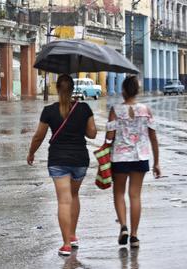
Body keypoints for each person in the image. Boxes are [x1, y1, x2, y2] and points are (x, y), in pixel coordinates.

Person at [27, 74, 97, 256]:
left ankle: (66, 244)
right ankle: (72, 235)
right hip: (80, 159)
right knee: (74, 196)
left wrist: (31, 153)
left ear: (57, 89)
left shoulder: (49, 111)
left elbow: (38, 136)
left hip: (58, 159)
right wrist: (81, 120)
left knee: (64, 200)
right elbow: (92, 134)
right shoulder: (83, 108)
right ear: (73, 89)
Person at [105, 76, 160, 248]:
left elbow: (109, 138)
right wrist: (157, 162)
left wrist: (104, 150)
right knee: (135, 195)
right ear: (137, 91)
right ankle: (135, 236)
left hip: (120, 158)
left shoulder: (115, 110)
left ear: (123, 91)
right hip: (140, 157)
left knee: (119, 193)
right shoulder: (146, 110)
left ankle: (123, 227)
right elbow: (153, 137)